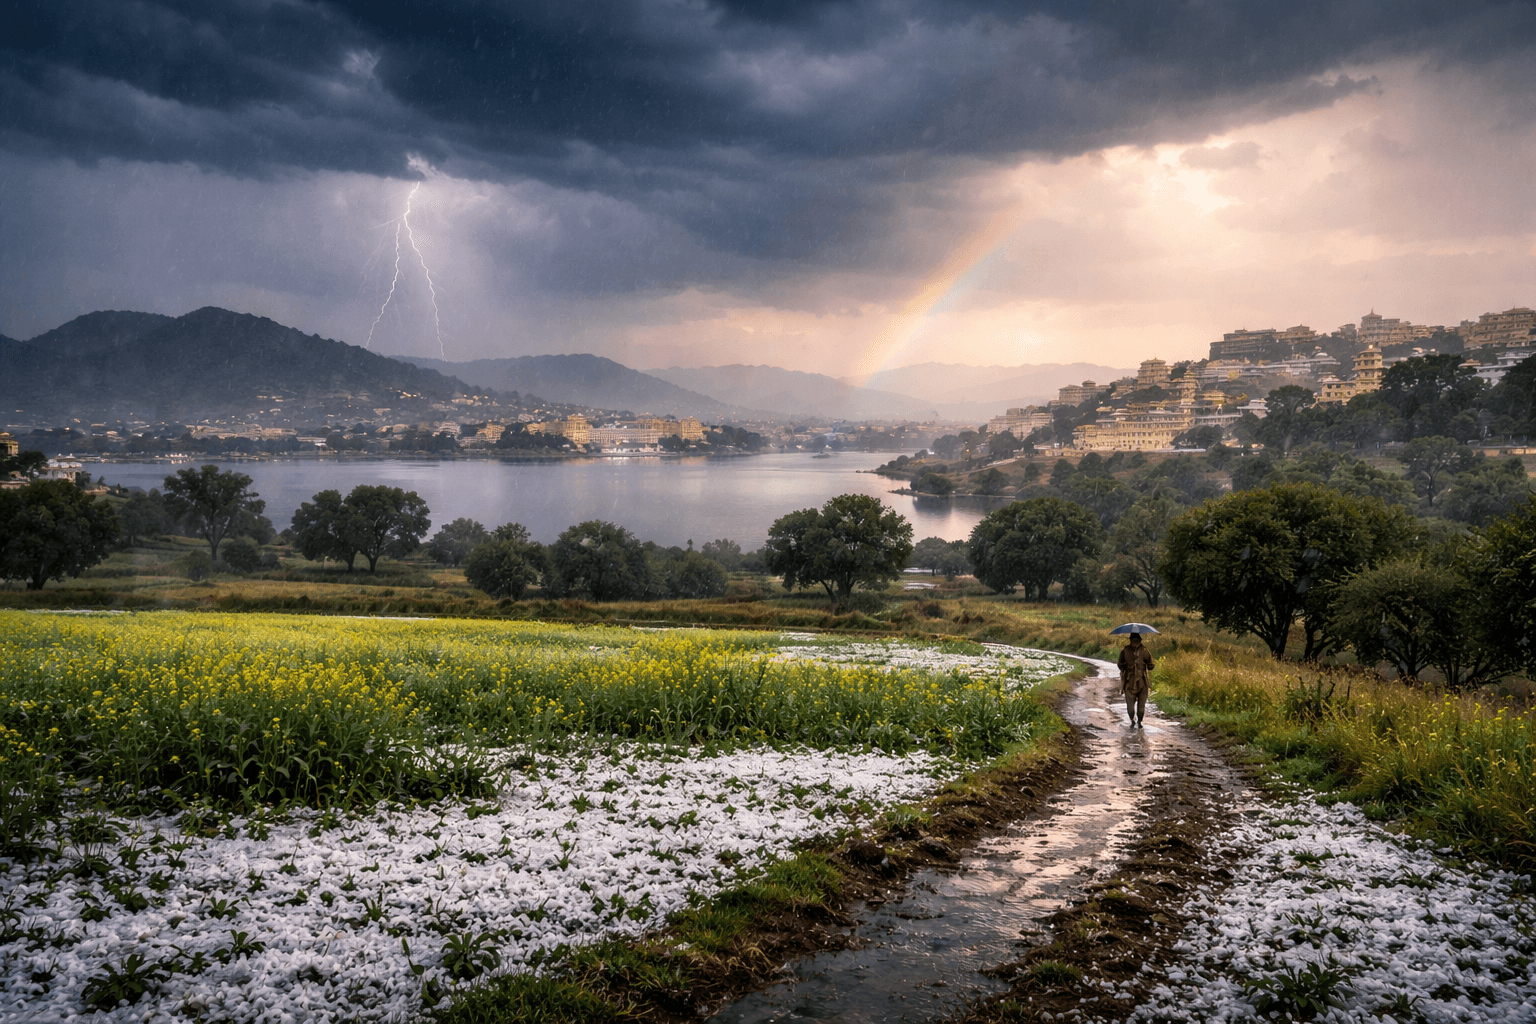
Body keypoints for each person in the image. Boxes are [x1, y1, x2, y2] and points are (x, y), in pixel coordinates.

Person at [1118, 632, 1154, 728]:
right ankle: (1132, 720)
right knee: (1130, 708)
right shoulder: (1125, 650)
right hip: (1129, 682)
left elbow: (1151, 663)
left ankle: (1139, 722)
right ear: (1130, 640)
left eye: (1137, 640)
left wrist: (1150, 665)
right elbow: (1119, 664)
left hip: (1143, 682)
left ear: (1140, 640)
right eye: (1133, 640)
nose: (1135, 642)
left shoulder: (1145, 650)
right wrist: (1124, 665)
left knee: (1141, 708)